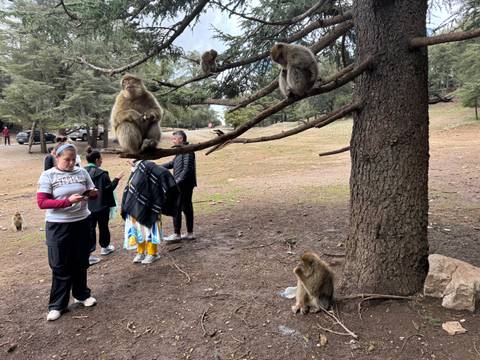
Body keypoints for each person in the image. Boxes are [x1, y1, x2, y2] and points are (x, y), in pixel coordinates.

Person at [37, 143, 98, 321]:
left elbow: (93, 190)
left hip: (81, 223)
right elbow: (42, 203)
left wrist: (93, 193)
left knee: (80, 261)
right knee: (60, 265)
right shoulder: (48, 175)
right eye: (67, 160)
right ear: (57, 157)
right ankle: (57, 305)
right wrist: (67, 201)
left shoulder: (82, 172)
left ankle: (81, 294)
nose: (71, 163)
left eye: (73, 159)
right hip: (58, 226)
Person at [122, 159, 179, 264]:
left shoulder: (148, 166)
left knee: (149, 229)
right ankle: (141, 252)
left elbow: (163, 173)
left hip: (150, 205)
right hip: (136, 206)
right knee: (138, 229)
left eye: (130, 159)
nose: (128, 161)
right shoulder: (136, 169)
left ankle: (152, 253)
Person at [84, 146, 124, 264]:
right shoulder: (102, 174)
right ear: (96, 160)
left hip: (87, 208)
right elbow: (108, 189)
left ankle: (89, 254)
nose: (102, 161)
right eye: (101, 159)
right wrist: (116, 179)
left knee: (89, 230)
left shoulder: (82, 172)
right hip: (102, 206)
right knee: (103, 227)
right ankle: (105, 247)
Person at [161, 130, 197, 242]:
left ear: (181, 139)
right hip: (180, 184)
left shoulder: (188, 150)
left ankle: (178, 234)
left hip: (184, 185)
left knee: (180, 207)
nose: (173, 140)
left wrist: (177, 181)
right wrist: (156, 167)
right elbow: (173, 164)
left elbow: (187, 169)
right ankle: (188, 233)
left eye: (174, 138)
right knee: (184, 207)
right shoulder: (180, 151)